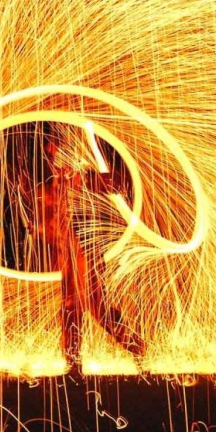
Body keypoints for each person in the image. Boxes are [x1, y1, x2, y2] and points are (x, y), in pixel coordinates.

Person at [37, 122, 148, 378]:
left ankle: (137, 346)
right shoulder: (57, 182)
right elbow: (52, 220)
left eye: (54, 150)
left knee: (97, 306)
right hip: (69, 255)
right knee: (70, 308)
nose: (51, 155)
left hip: (87, 252)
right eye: (50, 151)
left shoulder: (83, 176)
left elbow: (116, 184)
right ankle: (73, 365)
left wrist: (95, 180)